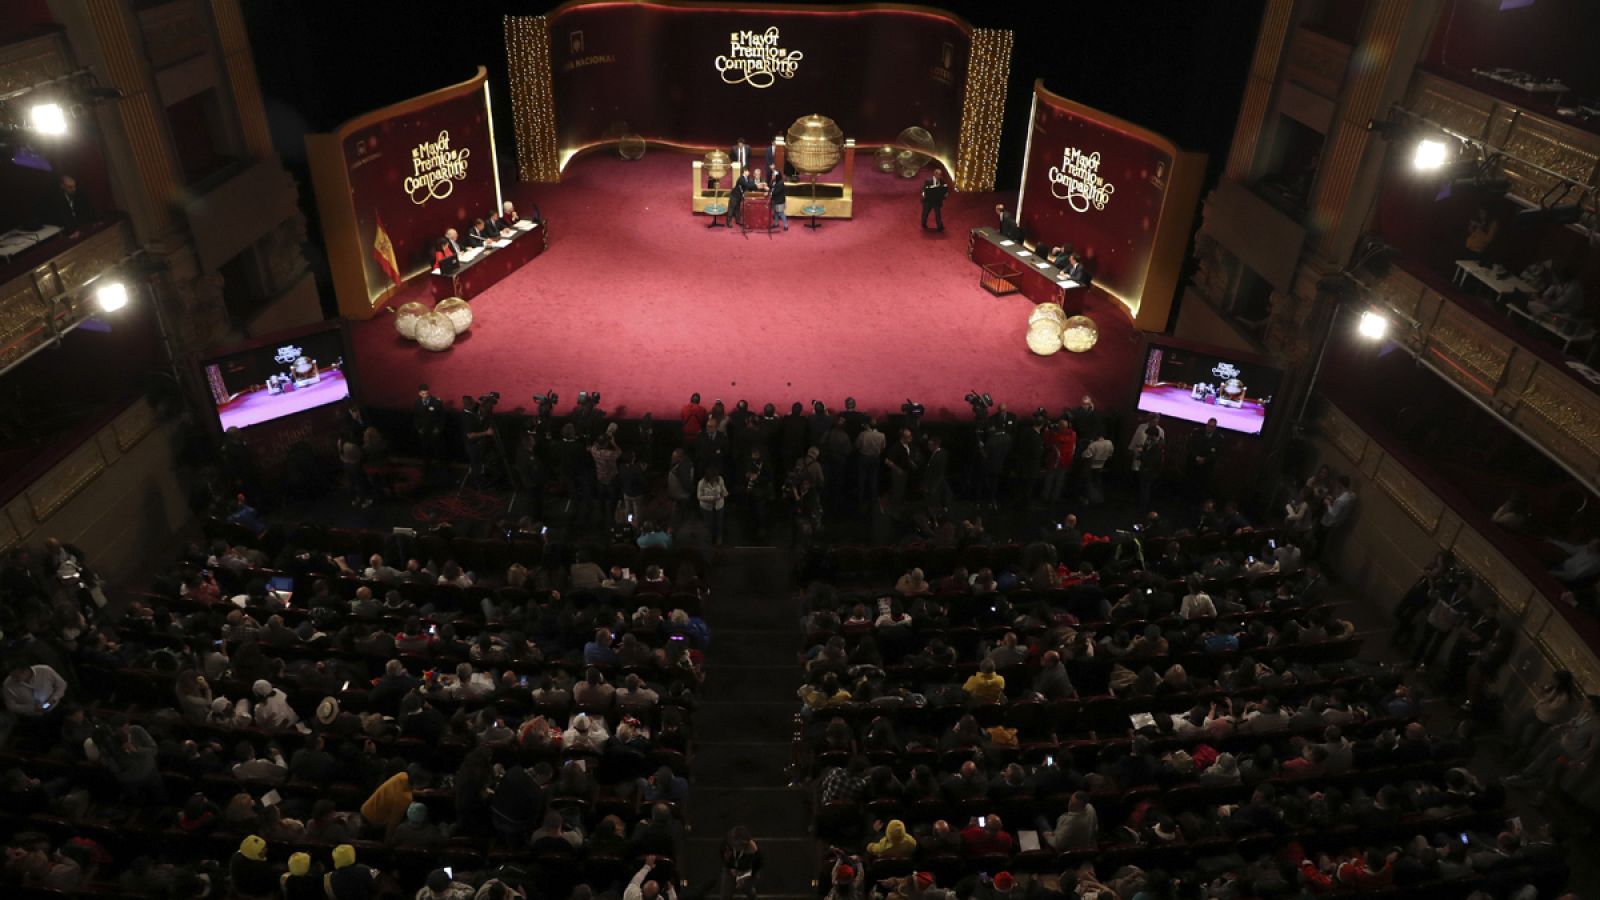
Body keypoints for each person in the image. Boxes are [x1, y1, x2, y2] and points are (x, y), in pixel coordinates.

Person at [720, 826, 762, 900]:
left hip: (746, 870)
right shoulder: (727, 844)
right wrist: (731, 869)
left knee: (747, 888)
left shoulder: (753, 850)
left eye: (743, 844)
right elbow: (724, 858)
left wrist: (743, 876)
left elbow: (756, 870)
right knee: (725, 895)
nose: (741, 846)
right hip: (731, 869)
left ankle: (751, 892)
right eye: (739, 843)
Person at [413, 384, 445, 472]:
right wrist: (418, 428)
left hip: (434, 431)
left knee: (437, 450)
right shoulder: (417, 403)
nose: (425, 395)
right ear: (419, 393)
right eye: (423, 394)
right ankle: (426, 466)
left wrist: (438, 428)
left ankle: (441, 467)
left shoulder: (436, 402)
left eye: (426, 393)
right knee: (425, 450)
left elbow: (442, 417)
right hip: (423, 432)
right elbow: (416, 417)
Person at [699, 466, 729, 545]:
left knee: (719, 522)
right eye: (713, 477)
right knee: (708, 523)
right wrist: (712, 498)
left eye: (716, 477)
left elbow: (724, 490)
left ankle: (719, 537)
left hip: (719, 505)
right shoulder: (701, 483)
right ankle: (708, 538)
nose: (715, 479)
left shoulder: (720, 479)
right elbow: (699, 496)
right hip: (706, 507)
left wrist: (725, 493)